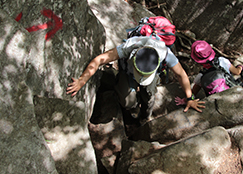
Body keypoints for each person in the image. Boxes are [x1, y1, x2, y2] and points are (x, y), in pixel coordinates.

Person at [67, 36, 205, 122]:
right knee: (127, 101)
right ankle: (132, 107)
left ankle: (144, 117)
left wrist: (190, 98)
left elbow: (181, 74)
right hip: (128, 73)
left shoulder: (164, 53)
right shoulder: (128, 47)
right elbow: (99, 60)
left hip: (151, 77)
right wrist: (82, 80)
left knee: (149, 97)